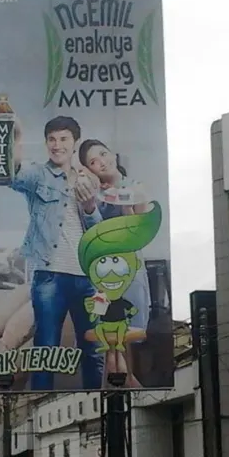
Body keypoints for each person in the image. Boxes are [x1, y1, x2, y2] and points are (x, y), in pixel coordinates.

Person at [0, 115, 105, 390]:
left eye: (63, 139)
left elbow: (98, 234)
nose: (57, 145)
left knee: (93, 348)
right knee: (45, 351)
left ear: (75, 143)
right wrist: (14, 140)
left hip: (86, 278)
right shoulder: (39, 175)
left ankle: (98, 402)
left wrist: (91, 205)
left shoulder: (89, 181)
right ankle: (38, 405)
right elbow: (12, 172)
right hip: (49, 277)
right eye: (51, 140)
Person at [77, 138, 155, 385]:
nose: (101, 162)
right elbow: (96, 235)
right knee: (108, 344)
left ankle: (127, 391)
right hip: (102, 276)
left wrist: (126, 206)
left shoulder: (137, 187)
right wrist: (91, 205)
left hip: (131, 273)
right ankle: (118, 393)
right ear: (88, 170)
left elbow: (139, 234)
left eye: (103, 154)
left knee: (127, 337)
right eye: (93, 161)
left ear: (113, 154)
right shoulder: (91, 197)